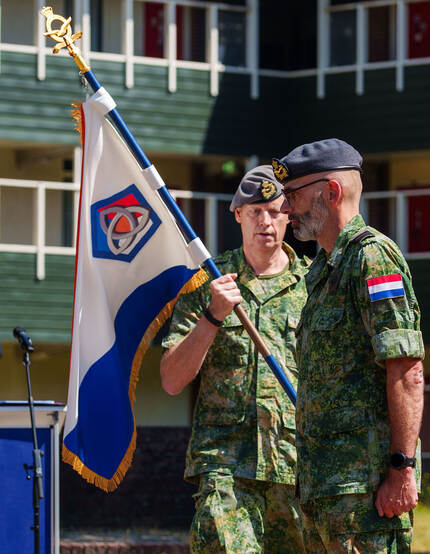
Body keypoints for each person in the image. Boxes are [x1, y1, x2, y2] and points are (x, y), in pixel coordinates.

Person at [276, 138, 425, 553]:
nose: (285, 209)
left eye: (293, 195)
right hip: (323, 489)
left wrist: (401, 470)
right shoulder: (323, 269)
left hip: (365, 494)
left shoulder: (371, 259)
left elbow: (406, 370)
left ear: (332, 192)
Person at [160, 165, 309, 553]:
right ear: (238, 215)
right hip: (226, 467)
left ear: (290, 216)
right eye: (255, 211)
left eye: (275, 211)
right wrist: (213, 316)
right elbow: (172, 380)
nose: (266, 221)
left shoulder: (315, 286)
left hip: (295, 466)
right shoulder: (206, 284)